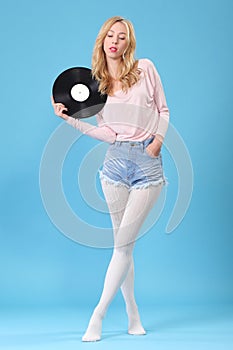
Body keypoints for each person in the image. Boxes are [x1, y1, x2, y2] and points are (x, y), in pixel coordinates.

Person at [51, 16, 169, 342]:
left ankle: (97, 315)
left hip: (147, 164)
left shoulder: (145, 69)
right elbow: (107, 132)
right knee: (124, 248)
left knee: (122, 246)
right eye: (110, 35)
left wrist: (158, 141)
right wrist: (69, 120)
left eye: (122, 36)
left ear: (128, 43)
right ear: (103, 41)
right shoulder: (98, 87)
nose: (115, 41)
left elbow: (163, 110)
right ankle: (132, 312)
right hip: (114, 165)